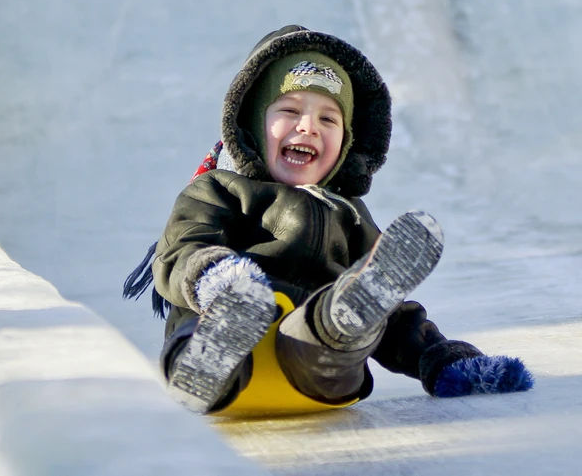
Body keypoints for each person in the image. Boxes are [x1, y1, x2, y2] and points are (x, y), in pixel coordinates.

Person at [123, 25, 532, 416]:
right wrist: (219, 277)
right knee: (216, 324)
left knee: (351, 314)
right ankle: (212, 358)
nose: (308, 127)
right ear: (251, 122)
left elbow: (391, 310)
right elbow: (179, 252)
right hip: (227, 344)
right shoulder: (219, 190)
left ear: (346, 142)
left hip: (316, 372)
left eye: (328, 119)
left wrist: (442, 360)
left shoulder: (348, 213)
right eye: (289, 110)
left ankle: (339, 324)